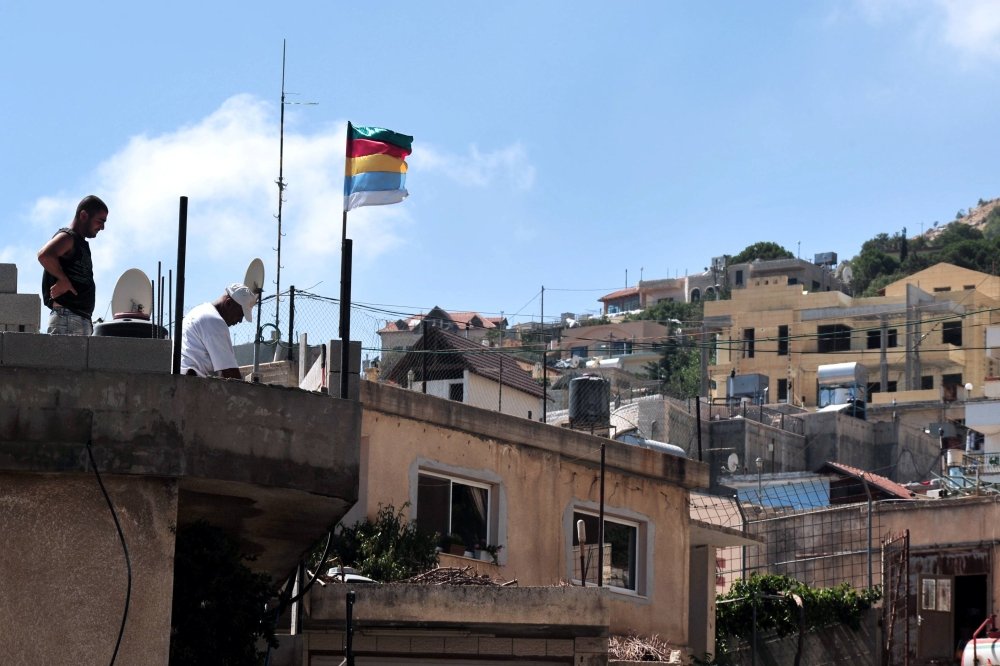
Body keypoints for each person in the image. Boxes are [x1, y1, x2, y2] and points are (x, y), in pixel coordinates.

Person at [37, 195, 109, 335]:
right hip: (67, 318)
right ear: (83, 215)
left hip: (76, 319)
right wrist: (63, 280)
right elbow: (44, 255)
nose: (102, 227)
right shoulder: (68, 237)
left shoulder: (79, 242)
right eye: (100, 221)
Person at [179, 283, 256, 379]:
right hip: (193, 385)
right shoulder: (214, 321)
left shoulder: (199, 311)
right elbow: (230, 373)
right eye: (240, 314)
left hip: (182, 379)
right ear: (228, 303)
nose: (240, 320)